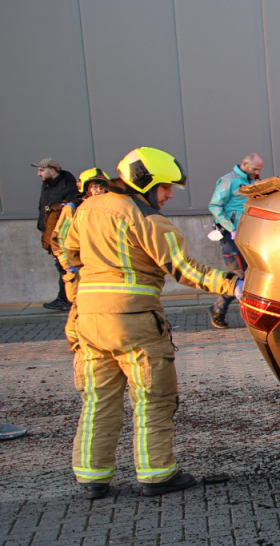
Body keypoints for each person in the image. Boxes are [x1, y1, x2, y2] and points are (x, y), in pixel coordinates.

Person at [62, 147, 239, 499]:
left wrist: (79, 291)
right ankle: (157, 474)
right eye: (165, 187)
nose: (169, 195)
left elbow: (68, 253)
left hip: (87, 319)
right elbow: (183, 268)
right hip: (134, 322)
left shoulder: (86, 209)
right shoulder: (147, 220)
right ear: (146, 183)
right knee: (152, 398)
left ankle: (91, 477)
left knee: (98, 399)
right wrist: (233, 284)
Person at [206, 152, 263, 328]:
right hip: (231, 235)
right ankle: (228, 310)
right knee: (242, 272)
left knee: (249, 273)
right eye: (254, 169)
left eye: (259, 170)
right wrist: (231, 228)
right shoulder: (229, 181)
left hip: (249, 233)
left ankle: (219, 308)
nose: (256, 172)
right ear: (244, 164)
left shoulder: (253, 180)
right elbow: (214, 206)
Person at [49, 169, 111, 307]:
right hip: (80, 270)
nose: (98, 191)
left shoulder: (109, 209)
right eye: (94, 187)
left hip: (103, 268)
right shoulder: (73, 208)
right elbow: (59, 239)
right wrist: (69, 266)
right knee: (81, 310)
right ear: (85, 188)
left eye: (101, 187)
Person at [34, 160, 79, 311]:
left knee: (65, 267)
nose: (38, 173)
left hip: (63, 235)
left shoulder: (68, 186)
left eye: (41, 170)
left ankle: (66, 299)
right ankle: (65, 298)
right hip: (49, 233)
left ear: (53, 170)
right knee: (61, 266)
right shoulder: (47, 186)